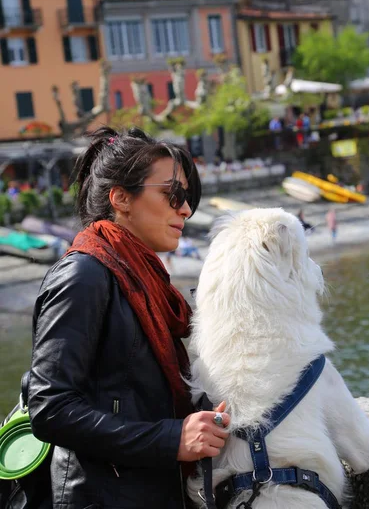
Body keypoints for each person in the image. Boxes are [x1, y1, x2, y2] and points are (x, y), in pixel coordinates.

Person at [28, 126, 230, 509]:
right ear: (121, 198)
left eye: (187, 197)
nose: (185, 209)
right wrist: (173, 439)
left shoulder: (146, 283)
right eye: (173, 194)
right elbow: (49, 408)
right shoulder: (84, 275)